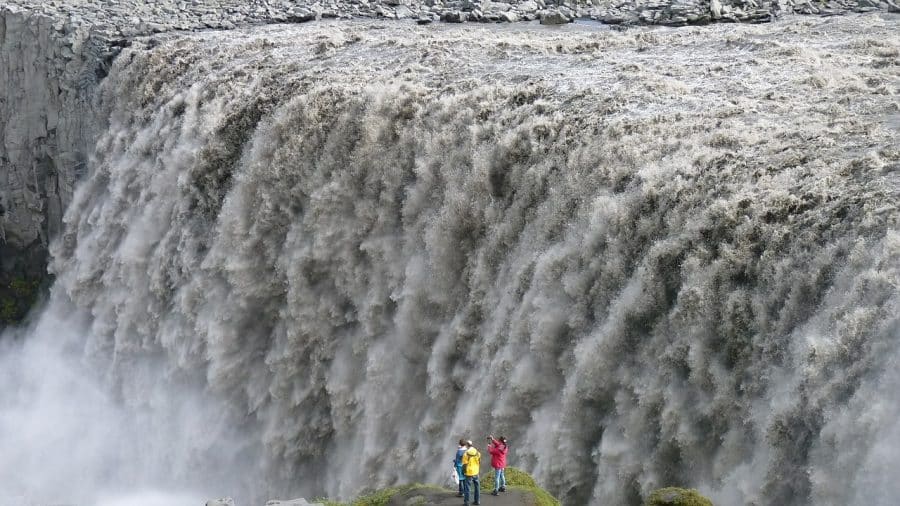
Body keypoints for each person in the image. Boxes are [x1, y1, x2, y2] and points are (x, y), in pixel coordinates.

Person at [461, 440, 481, 506]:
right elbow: (479, 461)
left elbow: (464, 465)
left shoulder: (466, 454)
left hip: (469, 473)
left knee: (467, 488)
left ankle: (466, 502)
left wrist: (463, 472)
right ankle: (477, 501)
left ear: (467, 445)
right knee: (477, 487)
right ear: (472, 445)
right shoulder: (477, 452)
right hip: (476, 472)